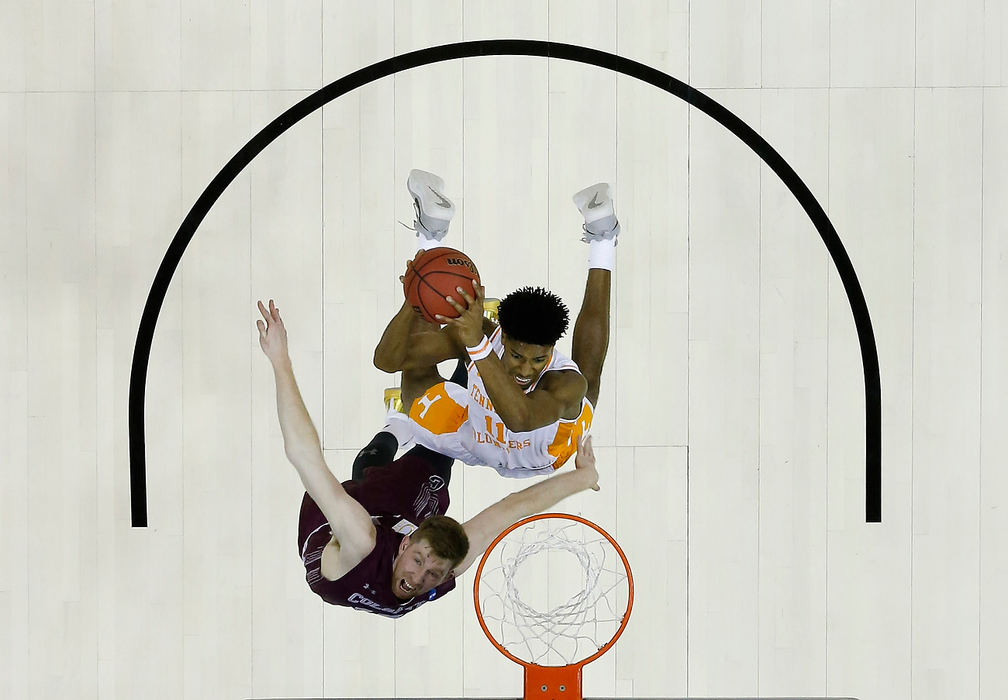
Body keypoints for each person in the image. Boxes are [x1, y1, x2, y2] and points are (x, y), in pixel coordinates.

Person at [256, 298, 600, 618]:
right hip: (396, 514)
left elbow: (304, 456)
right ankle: (458, 362)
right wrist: (581, 478)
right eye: (429, 567)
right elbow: (513, 508)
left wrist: (280, 361)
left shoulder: (358, 540)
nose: (420, 578)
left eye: (425, 566)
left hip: (338, 530)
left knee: (369, 473)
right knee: (435, 453)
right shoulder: (446, 558)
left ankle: (400, 419)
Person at [373, 169, 619, 478]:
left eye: (538, 359)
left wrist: (475, 343)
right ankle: (432, 236)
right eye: (517, 356)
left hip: (542, 455)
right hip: (474, 437)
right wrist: (414, 298)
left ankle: (602, 238)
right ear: (504, 337)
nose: (527, 370)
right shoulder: (486, 336)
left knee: (589, 380)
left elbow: (520, 418)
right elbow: (386, 361)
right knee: (415, 381)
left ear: (552, 350)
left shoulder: (565, 384)